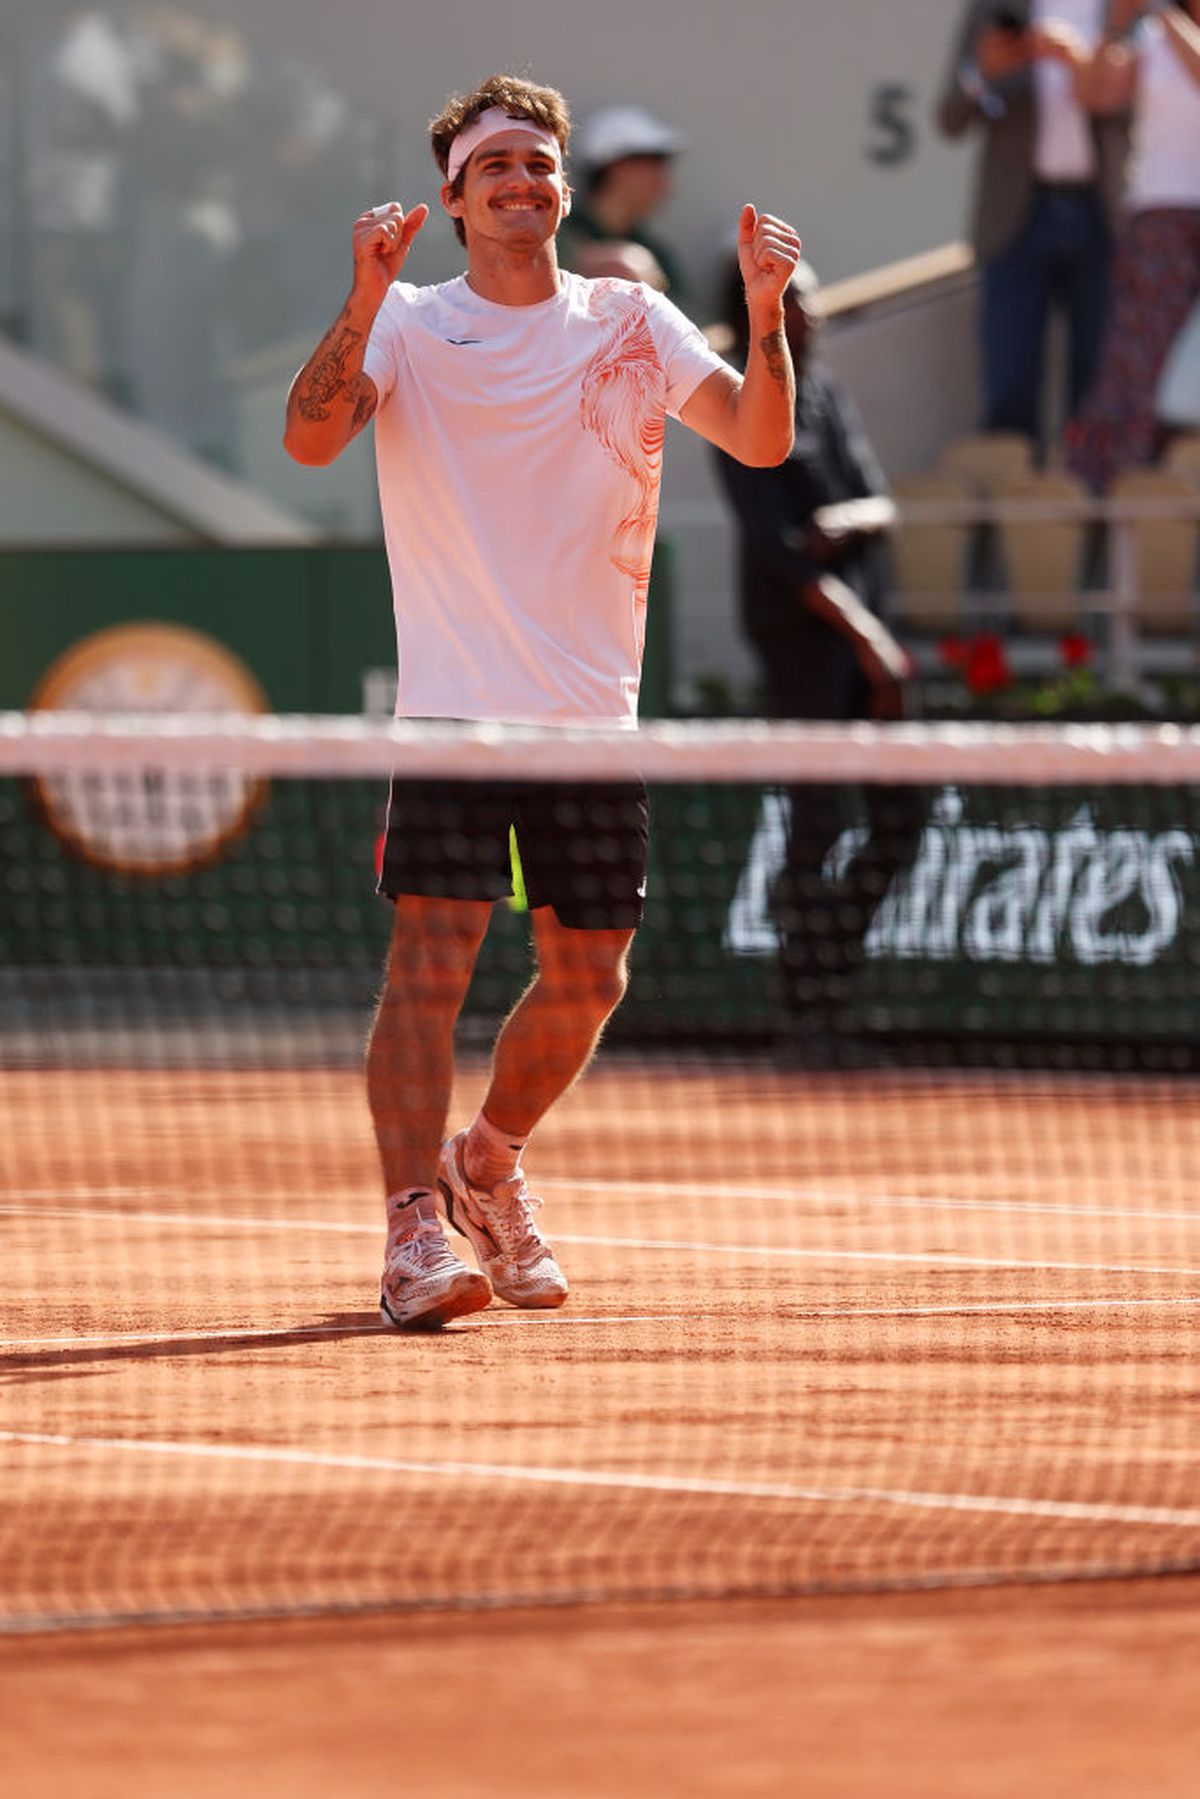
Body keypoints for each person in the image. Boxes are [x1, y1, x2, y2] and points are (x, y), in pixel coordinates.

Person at [283, 72, 801, 1328]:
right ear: (457, 198)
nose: (524, 181)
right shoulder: (405, 322)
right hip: (461, 706)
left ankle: (490, 1160)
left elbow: (762, 437)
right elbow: (311, 439)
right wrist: (360, 296)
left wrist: (767, 310)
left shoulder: (633, 317)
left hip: (590, 715)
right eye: (497, 166)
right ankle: (413, 1226)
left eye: (540, 164)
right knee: (431, 964)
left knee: (593, 977)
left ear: (563, 189)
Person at [711, 257, 922, 1057]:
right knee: (816, 826)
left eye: (811, 298)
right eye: (798, 301)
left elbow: (878, 499)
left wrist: (851, 523)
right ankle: (806, 1012)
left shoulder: (829, 393)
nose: (815, 312)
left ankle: (830, 961)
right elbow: (778, 552)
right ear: (760, 311)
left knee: (901, 819)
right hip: (804, 648)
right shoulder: (734, 398)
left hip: (870, 642)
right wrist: (862, 638)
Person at [936, 2, 1130, 447]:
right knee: (1010, 379)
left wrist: (1080, 64)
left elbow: (1148, 102)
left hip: (1102, 216)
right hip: (1016, 220)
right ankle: (1013, 508)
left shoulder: (1122, 8)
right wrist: (981, 73)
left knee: (1100, 383)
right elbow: (950, 117)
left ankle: (1093, 506)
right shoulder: (996, 8)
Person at [1066, 0, 1200, 489]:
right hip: (1158, 221)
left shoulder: (1168, 27)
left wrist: (1165, 15)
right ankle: (1129, 486)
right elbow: (1094, 95)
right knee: (1139, 363)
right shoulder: (1149, 38)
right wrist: (1116, 22)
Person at [557, 102, 690, 307]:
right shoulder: (553, 234)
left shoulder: (657, 252)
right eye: (653, 161)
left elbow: (699, 327)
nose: (663, 179)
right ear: (617, 167)